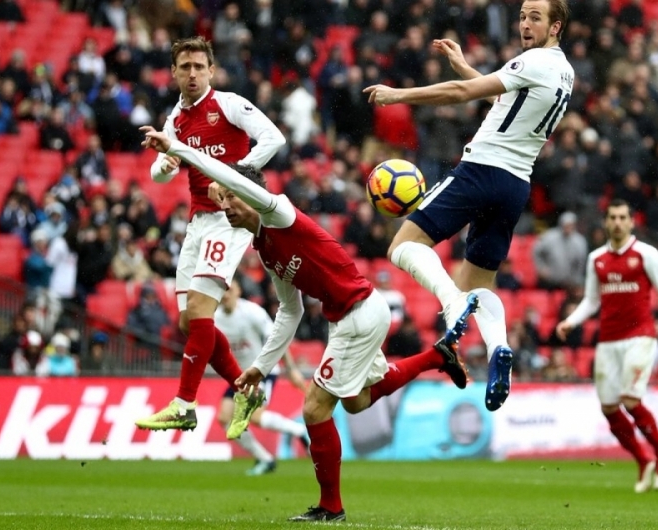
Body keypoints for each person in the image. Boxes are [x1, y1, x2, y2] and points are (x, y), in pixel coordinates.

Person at [139, 127, 470, 522]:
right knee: (357, 401)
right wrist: (261, 366)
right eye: (223, 199)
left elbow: (227, 175)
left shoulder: (277, 211)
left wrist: (177, 149)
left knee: (314, 409)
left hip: (359, 313)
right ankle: (437, 355)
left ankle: (331, 508)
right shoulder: (264, 248)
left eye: (229, 198)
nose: (225, 207)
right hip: (351, 316)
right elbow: (290, 312)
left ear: (247, 194)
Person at [362, 0, 574, 411]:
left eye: (535, 17)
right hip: (515, 186)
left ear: (555, 27)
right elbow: (505, 103)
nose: (525, 23)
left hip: (481, 170)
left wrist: (398, 95)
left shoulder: (535, 60)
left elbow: (462, 95)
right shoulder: (564, 72)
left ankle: (452, 303)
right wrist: (463, 65)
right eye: (523, 15)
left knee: (403, 246)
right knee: (479, 283)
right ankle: (500, 348)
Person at [136, 36, 286, 431]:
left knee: (202, 310)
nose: (192, 74)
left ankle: (185, 403)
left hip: (229, 218)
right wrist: (167, 162)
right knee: (189, 322)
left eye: (199, 67)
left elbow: (274, 138)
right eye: (184, 67)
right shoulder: (176, 119)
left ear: (211, 71)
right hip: (197, 221)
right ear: (173, 72)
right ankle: (246, 391)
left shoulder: (229, 104)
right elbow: (156, 171)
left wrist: (237, 177)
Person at [555, 199, 658, 493]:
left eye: (622, 217)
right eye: (612, 217)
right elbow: (592, 299)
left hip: (640, 336)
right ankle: (642, 459)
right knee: (609, 408)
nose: (617, 222)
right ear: (605, 222)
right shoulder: (596, 259)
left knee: (630, 399)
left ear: (631, 222)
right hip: (609, 340)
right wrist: (571, 321)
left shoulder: (646, 254)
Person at [215, 277, 309, 476]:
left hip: (261, 371)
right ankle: (265, 458)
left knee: (255, 417)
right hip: (238, 375)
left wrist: (290, 369)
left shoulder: (252, 313)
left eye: (229, 290)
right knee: (224, 417)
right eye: (222, 290)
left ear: (239, 291)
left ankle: (299, 430)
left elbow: (277, 338)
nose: (225, 295)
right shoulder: (216, 318)